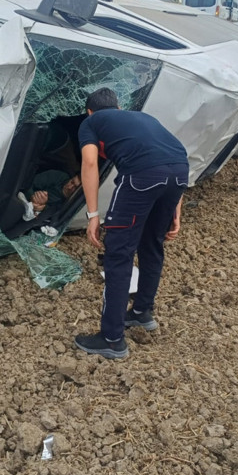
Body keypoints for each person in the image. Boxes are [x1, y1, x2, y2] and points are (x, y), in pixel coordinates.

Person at [74, 88, 189, 359]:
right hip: (180, 173)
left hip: (141, 175)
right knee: (152, 244)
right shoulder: (143, 118)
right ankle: (141, 312)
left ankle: (112, 339)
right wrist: (176, 211)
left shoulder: (90, 123)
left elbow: (89, 163)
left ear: (90, 111)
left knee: (118, 253)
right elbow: (175, 157)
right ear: (119, 106)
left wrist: (92, 216)